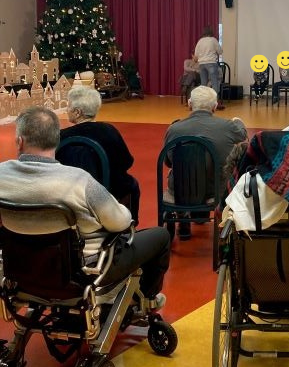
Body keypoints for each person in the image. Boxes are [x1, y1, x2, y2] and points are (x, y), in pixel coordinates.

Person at [0, 107, 170, 306]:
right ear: (56, 140)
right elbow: (120, 223)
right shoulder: (79, 180)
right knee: (160, 236)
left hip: (21, 269)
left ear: (19, 141)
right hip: (82, 271)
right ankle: (146, 299)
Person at [162, 85, 247, 238]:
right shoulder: (228, 126)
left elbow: (168, 162)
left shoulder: (174, 129)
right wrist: (238, 121)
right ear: (215, 106)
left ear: (189, 104)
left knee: (178, 170)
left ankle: (183, 216)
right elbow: (242, 135)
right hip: (217, 191)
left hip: (181, 190)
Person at [61, 86, 141, 223]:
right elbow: (127, 162)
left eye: (68, 106)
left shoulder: (62, 136)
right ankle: (129, 225)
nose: (66, 110)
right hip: (109, 192)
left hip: (72, 194)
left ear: (77, 112)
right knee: (132, 184)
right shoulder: (109, 131)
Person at [193, 26, 224, 108]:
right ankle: (215, 103)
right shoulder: (213, 40)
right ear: (211, 32)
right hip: (211, 63)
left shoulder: (200, 41)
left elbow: (195, 56)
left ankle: (203, 103)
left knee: (203, 84)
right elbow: (220, 51)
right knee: (214, 83)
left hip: (202, 64)